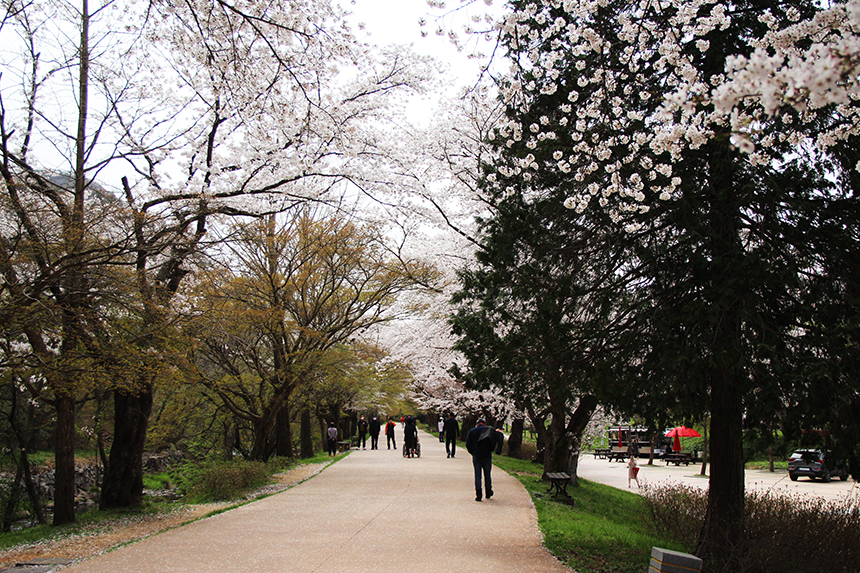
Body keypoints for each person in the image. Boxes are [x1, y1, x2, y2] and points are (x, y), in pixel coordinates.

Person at [465, 419, 504, 501]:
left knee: (477, 475)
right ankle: (488, 492)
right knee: (487, 474)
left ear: (477, 424)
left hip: (476, 456)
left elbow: (468, 445)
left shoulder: (472, 431)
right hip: (487, 455)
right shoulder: (489, 430)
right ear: (484, 424)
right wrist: (497, 450)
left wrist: (473, 452)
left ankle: (478, 494)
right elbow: (499, 436)